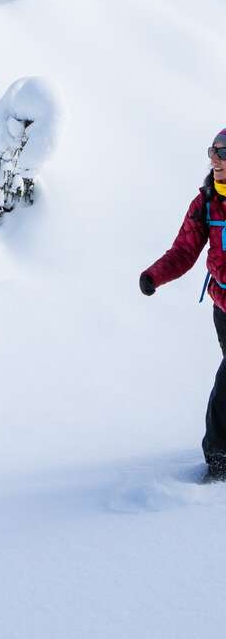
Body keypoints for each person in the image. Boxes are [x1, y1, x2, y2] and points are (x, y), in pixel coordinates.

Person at [140, 129, 226, 480]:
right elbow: (184, 250)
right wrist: (154, 276)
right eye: (213, 152)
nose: (215, 159)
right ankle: (219, 454)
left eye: (223, 153)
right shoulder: (206, 203)